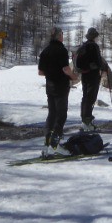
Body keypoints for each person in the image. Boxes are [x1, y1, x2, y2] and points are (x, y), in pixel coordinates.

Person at [37, 27, 75, 156]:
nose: (63, 36)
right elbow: (65, 69)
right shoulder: (61, 50)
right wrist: (73, 76)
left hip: (50, 86)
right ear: (59, 36)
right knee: (61, 115)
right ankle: (55, 144)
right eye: (62, 34)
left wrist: (51, 73)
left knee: (51, 114)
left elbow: (40, 72)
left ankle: (47, 144)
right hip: (61, 86)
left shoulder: (45, 51)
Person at [76, 27, 110, 131]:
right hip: (93, 75)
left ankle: (84, 120)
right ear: (94, 36)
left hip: (85, 75)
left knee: (85, 97)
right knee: (91, 97)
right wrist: (104, 67)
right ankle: (87, 122)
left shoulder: (84, 46)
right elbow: (98, 61)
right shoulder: (94, 46)